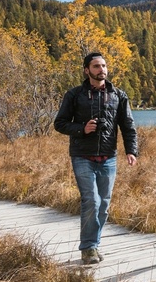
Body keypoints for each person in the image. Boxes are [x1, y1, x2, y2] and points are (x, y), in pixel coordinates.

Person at [54, 52, 138, 265]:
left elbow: (128, 126)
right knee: (91, 200)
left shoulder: (118, 95)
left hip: (109, 157)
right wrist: (83, 128)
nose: (102, 70)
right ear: (87, 70)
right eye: (96, 66)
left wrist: (131, 151)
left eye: (103, 66)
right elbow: (60, 123)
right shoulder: (74, 95)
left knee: (104, 205)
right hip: (82, 156)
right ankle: (88, 247)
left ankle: (94, 244)